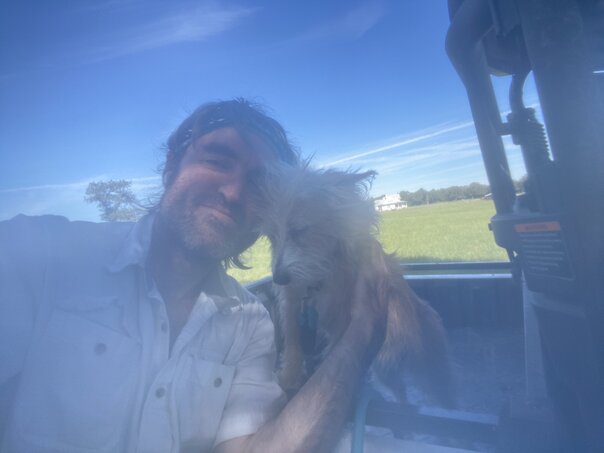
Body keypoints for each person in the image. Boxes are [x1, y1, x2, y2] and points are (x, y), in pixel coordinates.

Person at [0, 99, 388, 453]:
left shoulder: (250, 323)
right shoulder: (39, 253)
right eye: (217, 161)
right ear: (172, 165)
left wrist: (359, 333)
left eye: (256, 184)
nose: (233, 192)